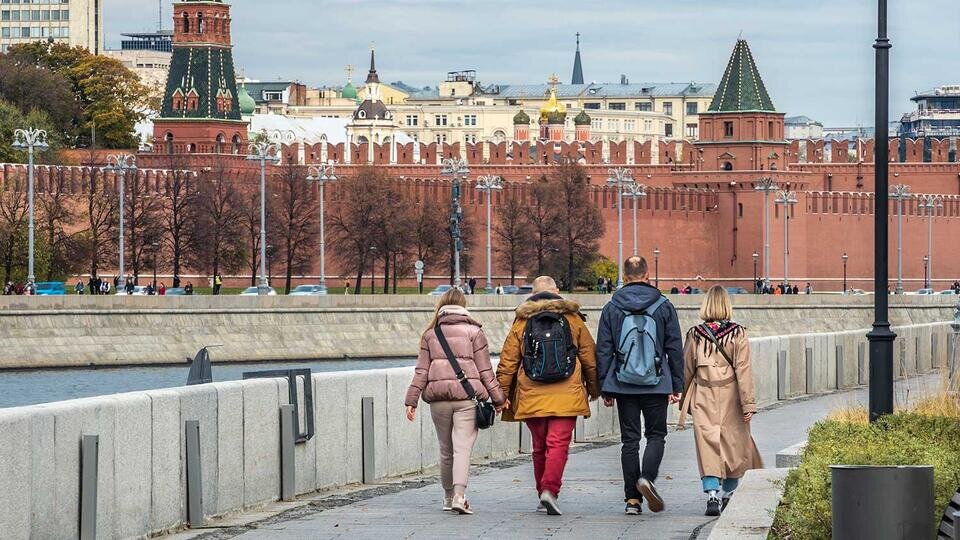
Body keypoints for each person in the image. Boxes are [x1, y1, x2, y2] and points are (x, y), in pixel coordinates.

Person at [496, 276, 600, 516]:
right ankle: (549, 491)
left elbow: (508, 362)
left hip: (532, 393)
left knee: (539, 446)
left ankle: (541, 491)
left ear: (532, 294)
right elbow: (590, 359)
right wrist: (595, 389)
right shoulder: (573, 319)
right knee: (558, 445)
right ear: (557, 292)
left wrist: (501, 395)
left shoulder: (522, 321)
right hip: (567, 393)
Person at [405, 288, 507, 515]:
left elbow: (421, 371)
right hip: (466, 399)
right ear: (463, 306)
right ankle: (460, 497)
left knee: (445, 450)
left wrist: (411, 400)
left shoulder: (430, 334)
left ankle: (447, 496)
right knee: (462, 449)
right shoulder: (474, 331)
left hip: (438, 400)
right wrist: (499, 399)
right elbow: (485, 372)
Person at [596, 256, 684, 515]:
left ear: (624, 275)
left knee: (629, 441)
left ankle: (632, 500)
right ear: (647, 274)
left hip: (624, 384)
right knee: (656, 435)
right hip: (656, 382)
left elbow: (603, 350)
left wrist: (605, 387)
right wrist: (676, 384)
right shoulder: (664, 305)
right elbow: (674, 348)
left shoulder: (612, 307)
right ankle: (646, 478)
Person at [679, 286, 763, 516]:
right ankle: (728, 493)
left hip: (703, 396)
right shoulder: (738, 333)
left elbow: (686, 368)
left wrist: (680, 396)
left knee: (707, 445)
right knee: (734, 446)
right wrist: (749, 405)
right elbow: (743, 371)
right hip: (732, 397)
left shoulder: (695, 334)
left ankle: (712, 494)